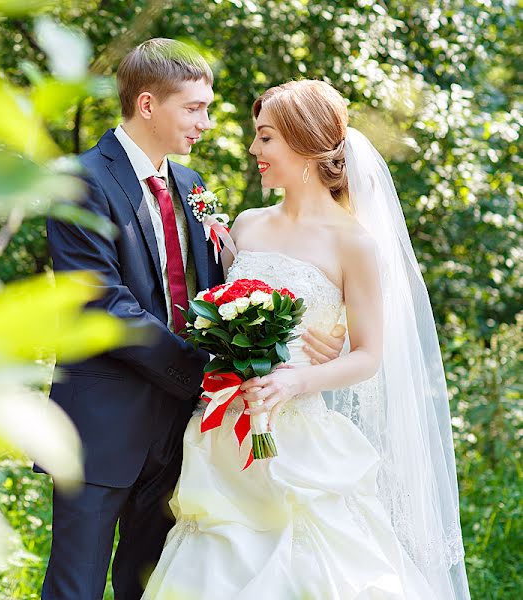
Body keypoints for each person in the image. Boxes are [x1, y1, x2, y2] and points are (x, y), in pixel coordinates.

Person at [38, 43, 346, 599]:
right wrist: (208, 371)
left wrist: (294, 336)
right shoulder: (79, 180)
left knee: (154, 586)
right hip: (103, 426)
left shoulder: (192, 186)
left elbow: (221, 295)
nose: (206, 123)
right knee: (74, 587)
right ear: (149, 104)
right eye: (194, 109)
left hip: (188, 434)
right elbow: (102, 302)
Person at [141, 79, 469, 599]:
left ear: (305, 147)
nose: (254, 150)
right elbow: (219, 316)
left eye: (265, 138)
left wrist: (301, 379)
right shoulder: (245, 227)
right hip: (224, 434)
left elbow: (368, 356)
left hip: (299, 439)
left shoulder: (354, 243)